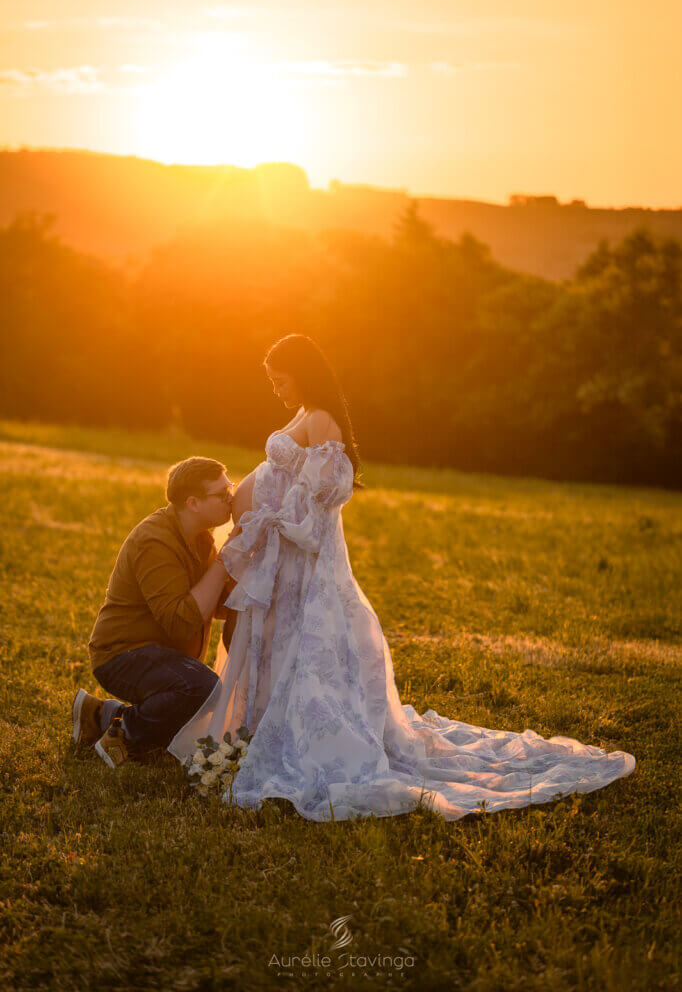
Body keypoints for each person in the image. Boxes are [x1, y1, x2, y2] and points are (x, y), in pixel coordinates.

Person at [167, 334, 636, 821]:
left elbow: (328, 491)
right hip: (283, 565)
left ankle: (305, 740)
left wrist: (275, 518)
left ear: (302, 373)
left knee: (310, 653)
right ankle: (265, 728)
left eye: (280, 381)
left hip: (303, 564)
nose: (276, 391)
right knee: (286, 650)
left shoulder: (321, 416)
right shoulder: (306, 412)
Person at [72, 456, 235, 767]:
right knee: (203, 688)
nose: (230, 498)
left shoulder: (200, 539)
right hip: (121, 655)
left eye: (230, 488)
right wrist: (225, 560)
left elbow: (215, 604)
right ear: (193, 503)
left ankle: (98, 713)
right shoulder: (155, 540)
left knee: (198, 707)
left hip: (157, 654)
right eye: (222, 493)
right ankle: (124, 731)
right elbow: (180, 622)